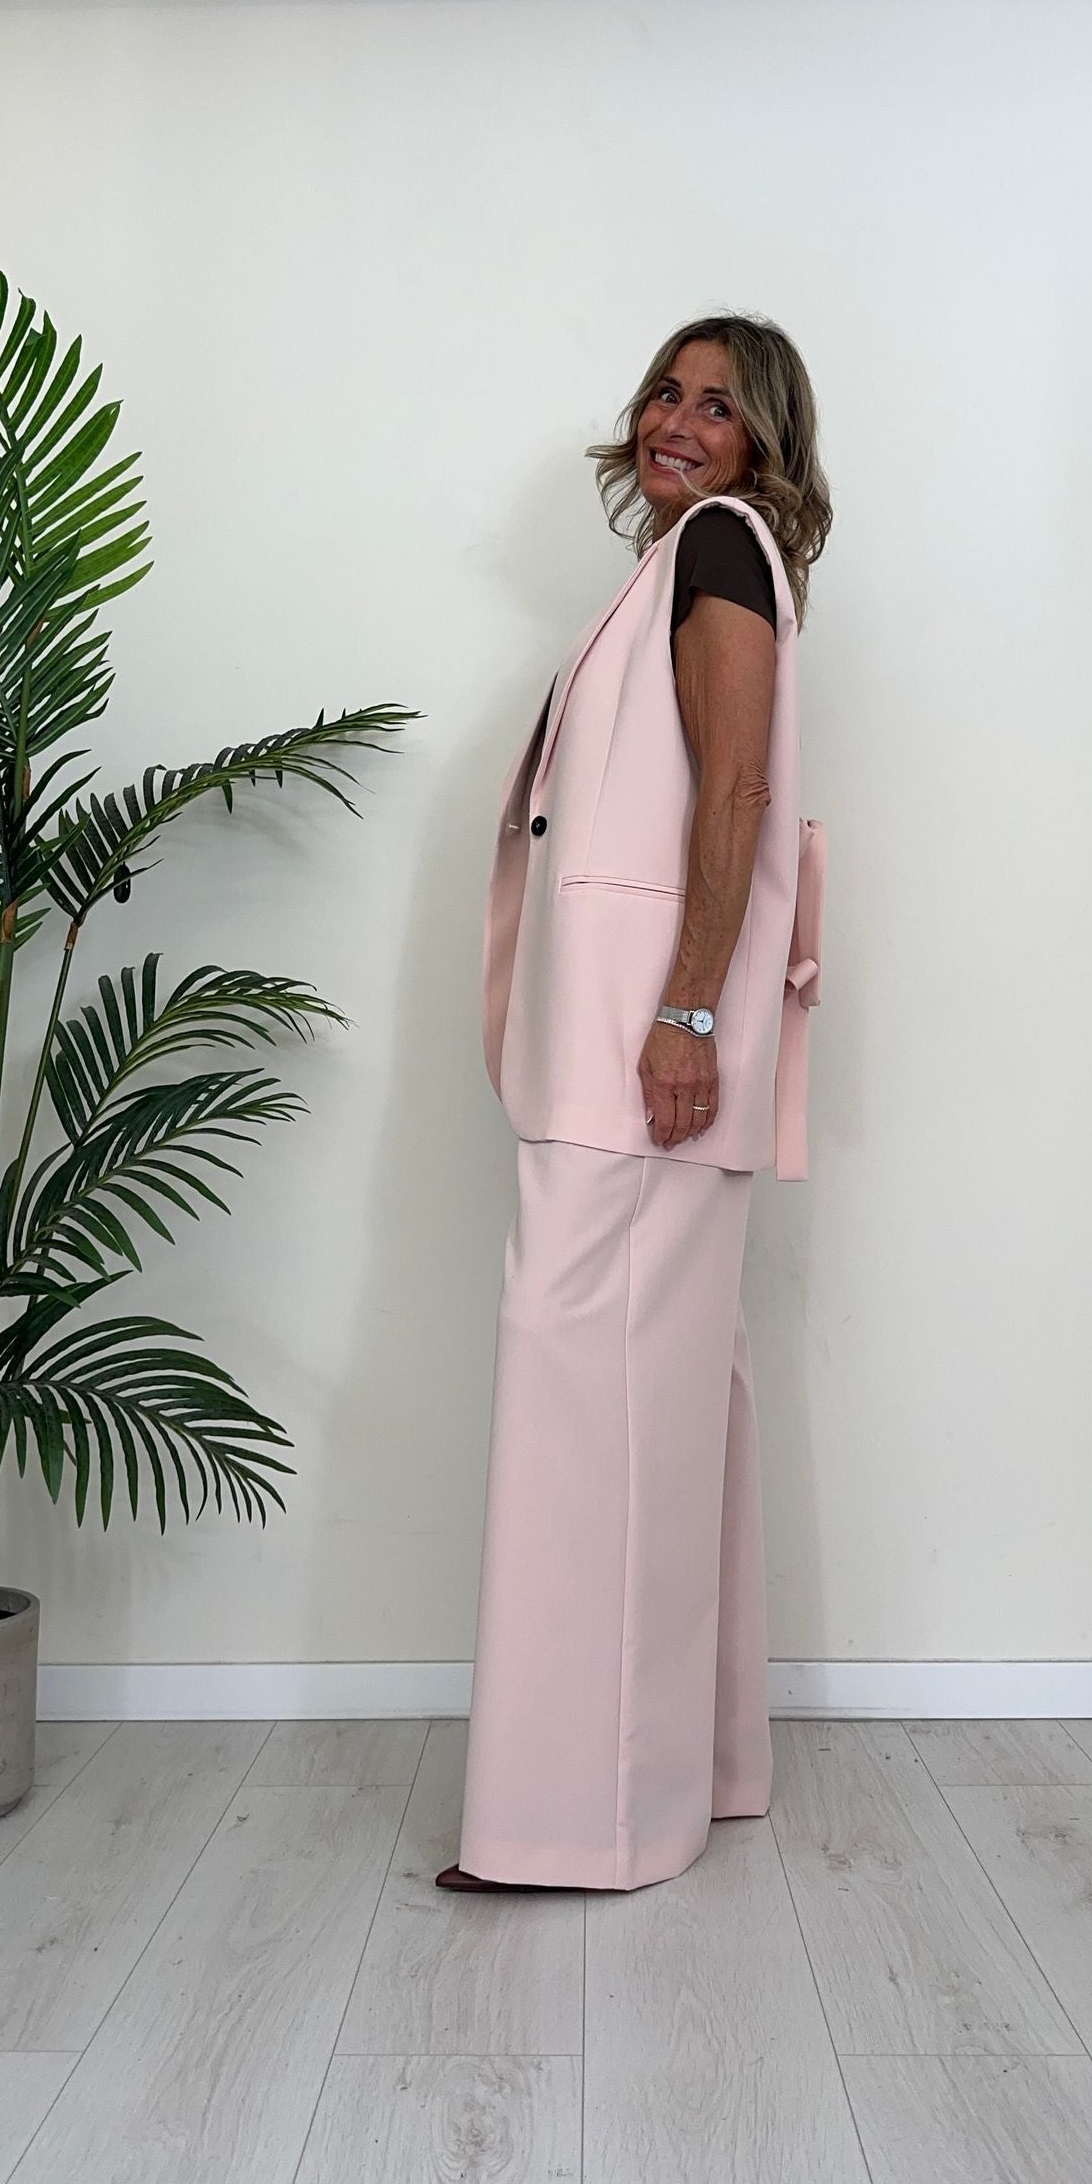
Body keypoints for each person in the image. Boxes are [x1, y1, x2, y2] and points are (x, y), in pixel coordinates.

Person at [439, 312, 831, 1893]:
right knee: (661, 1403)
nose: (676, 419)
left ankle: (571, 1823)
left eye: (717, 406)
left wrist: (686, 1012)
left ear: (763, 444)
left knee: (579, 1404)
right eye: (666, 391)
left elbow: (736, 789)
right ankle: (699, 1771)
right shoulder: (687, 561)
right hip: (625, 1052)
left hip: (640, 1057)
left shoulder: (721, 551)